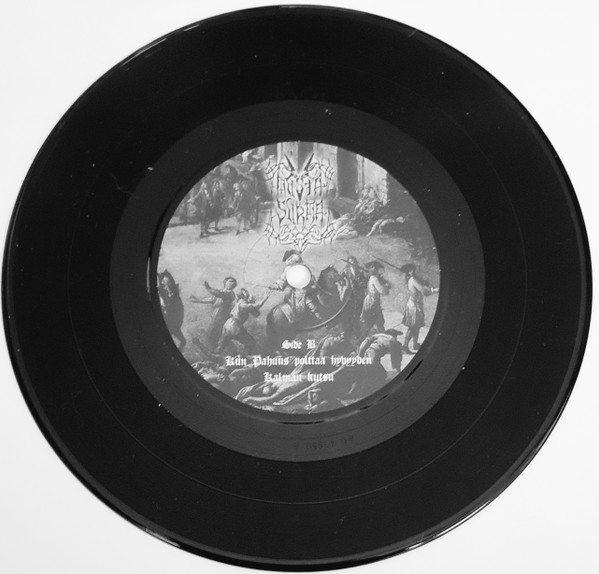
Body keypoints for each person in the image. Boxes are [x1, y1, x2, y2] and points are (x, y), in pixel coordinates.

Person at [217, 288, 270, 354]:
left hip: (229, 324)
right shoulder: (242, 305)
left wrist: (251, 303)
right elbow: (256, 306)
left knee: (224, 341)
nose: (248, 294)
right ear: (243, 296)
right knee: (250, 341)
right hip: (235, 325)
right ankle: (245, 356)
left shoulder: (239, 303)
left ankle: (217, 352)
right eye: (246, 292)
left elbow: (256, 313)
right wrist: (264, 298)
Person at [400, 263, 438, 353]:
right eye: (410, 270)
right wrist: (434, 290)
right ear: (407, 272)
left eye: (413, 269)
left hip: (415, 305)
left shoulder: (412, 279)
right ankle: (405, 346)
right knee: (412, 327)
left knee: (417, 326)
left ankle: (415, 344)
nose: (413, 271)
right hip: (413, 306)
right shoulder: (413, 280)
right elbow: (424, 291)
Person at [189, 277, 237, 348]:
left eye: (234, 282)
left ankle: (214, 348)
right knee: (211, 332)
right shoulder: (221, 292)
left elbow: (219, 294)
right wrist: (196, 300)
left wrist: (208, 288)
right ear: (225, 282)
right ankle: (210, 347)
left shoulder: (230, 293)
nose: (232, 283)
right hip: (216, 315)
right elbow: (211, 299)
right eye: (231, 281)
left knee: (216, 333)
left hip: (222, 316)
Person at [360, 261, 391, 338]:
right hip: (372, 302)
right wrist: (386, 285)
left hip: (372, 301)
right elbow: (382, 291)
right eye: (372, 268)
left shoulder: (374, 278)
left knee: (378, 322)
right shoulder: (374, 278)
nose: (374, 269)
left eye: (375, 268)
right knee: (372, 322)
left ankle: (382, 338)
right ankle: (361, 340)